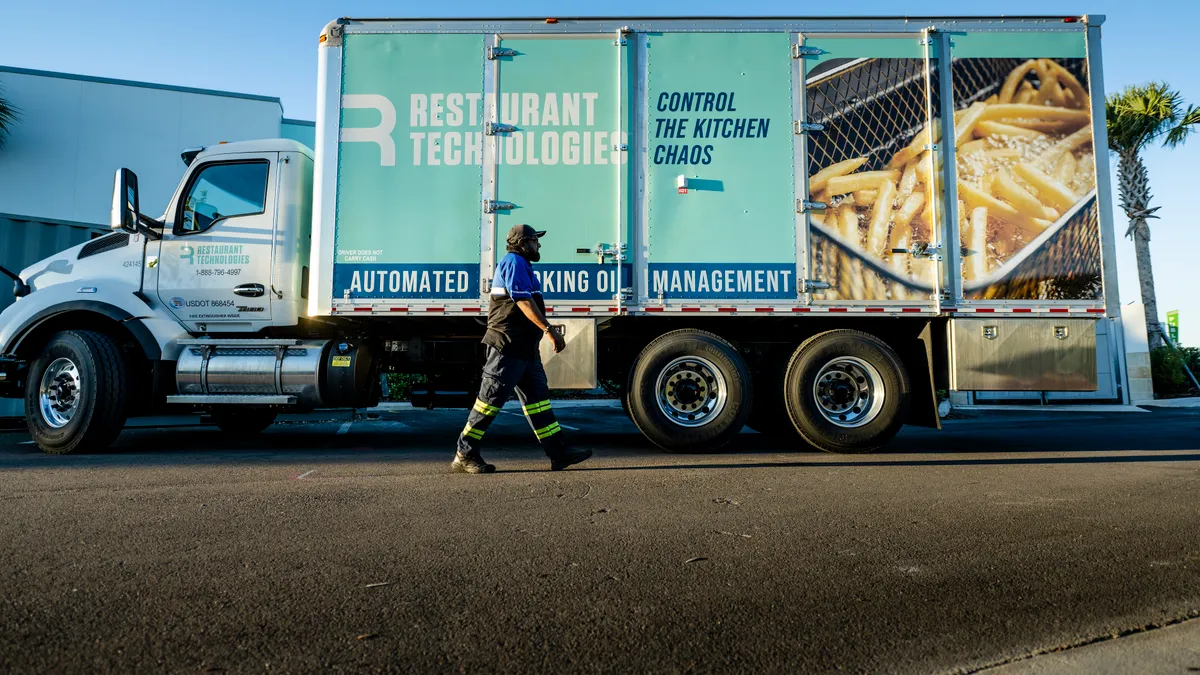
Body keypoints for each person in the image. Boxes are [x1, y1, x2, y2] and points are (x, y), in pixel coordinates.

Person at [452, 224, 593, 474]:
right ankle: (465, 453)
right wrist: (549, 330)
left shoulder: (523, 265)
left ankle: (558, 453)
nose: (538, 244)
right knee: (489, 401)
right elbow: (523, 301)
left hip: (525, 349)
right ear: (521, 243)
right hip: (507, 346)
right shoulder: (514, 262)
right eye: (534, 240)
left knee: (538, 401)